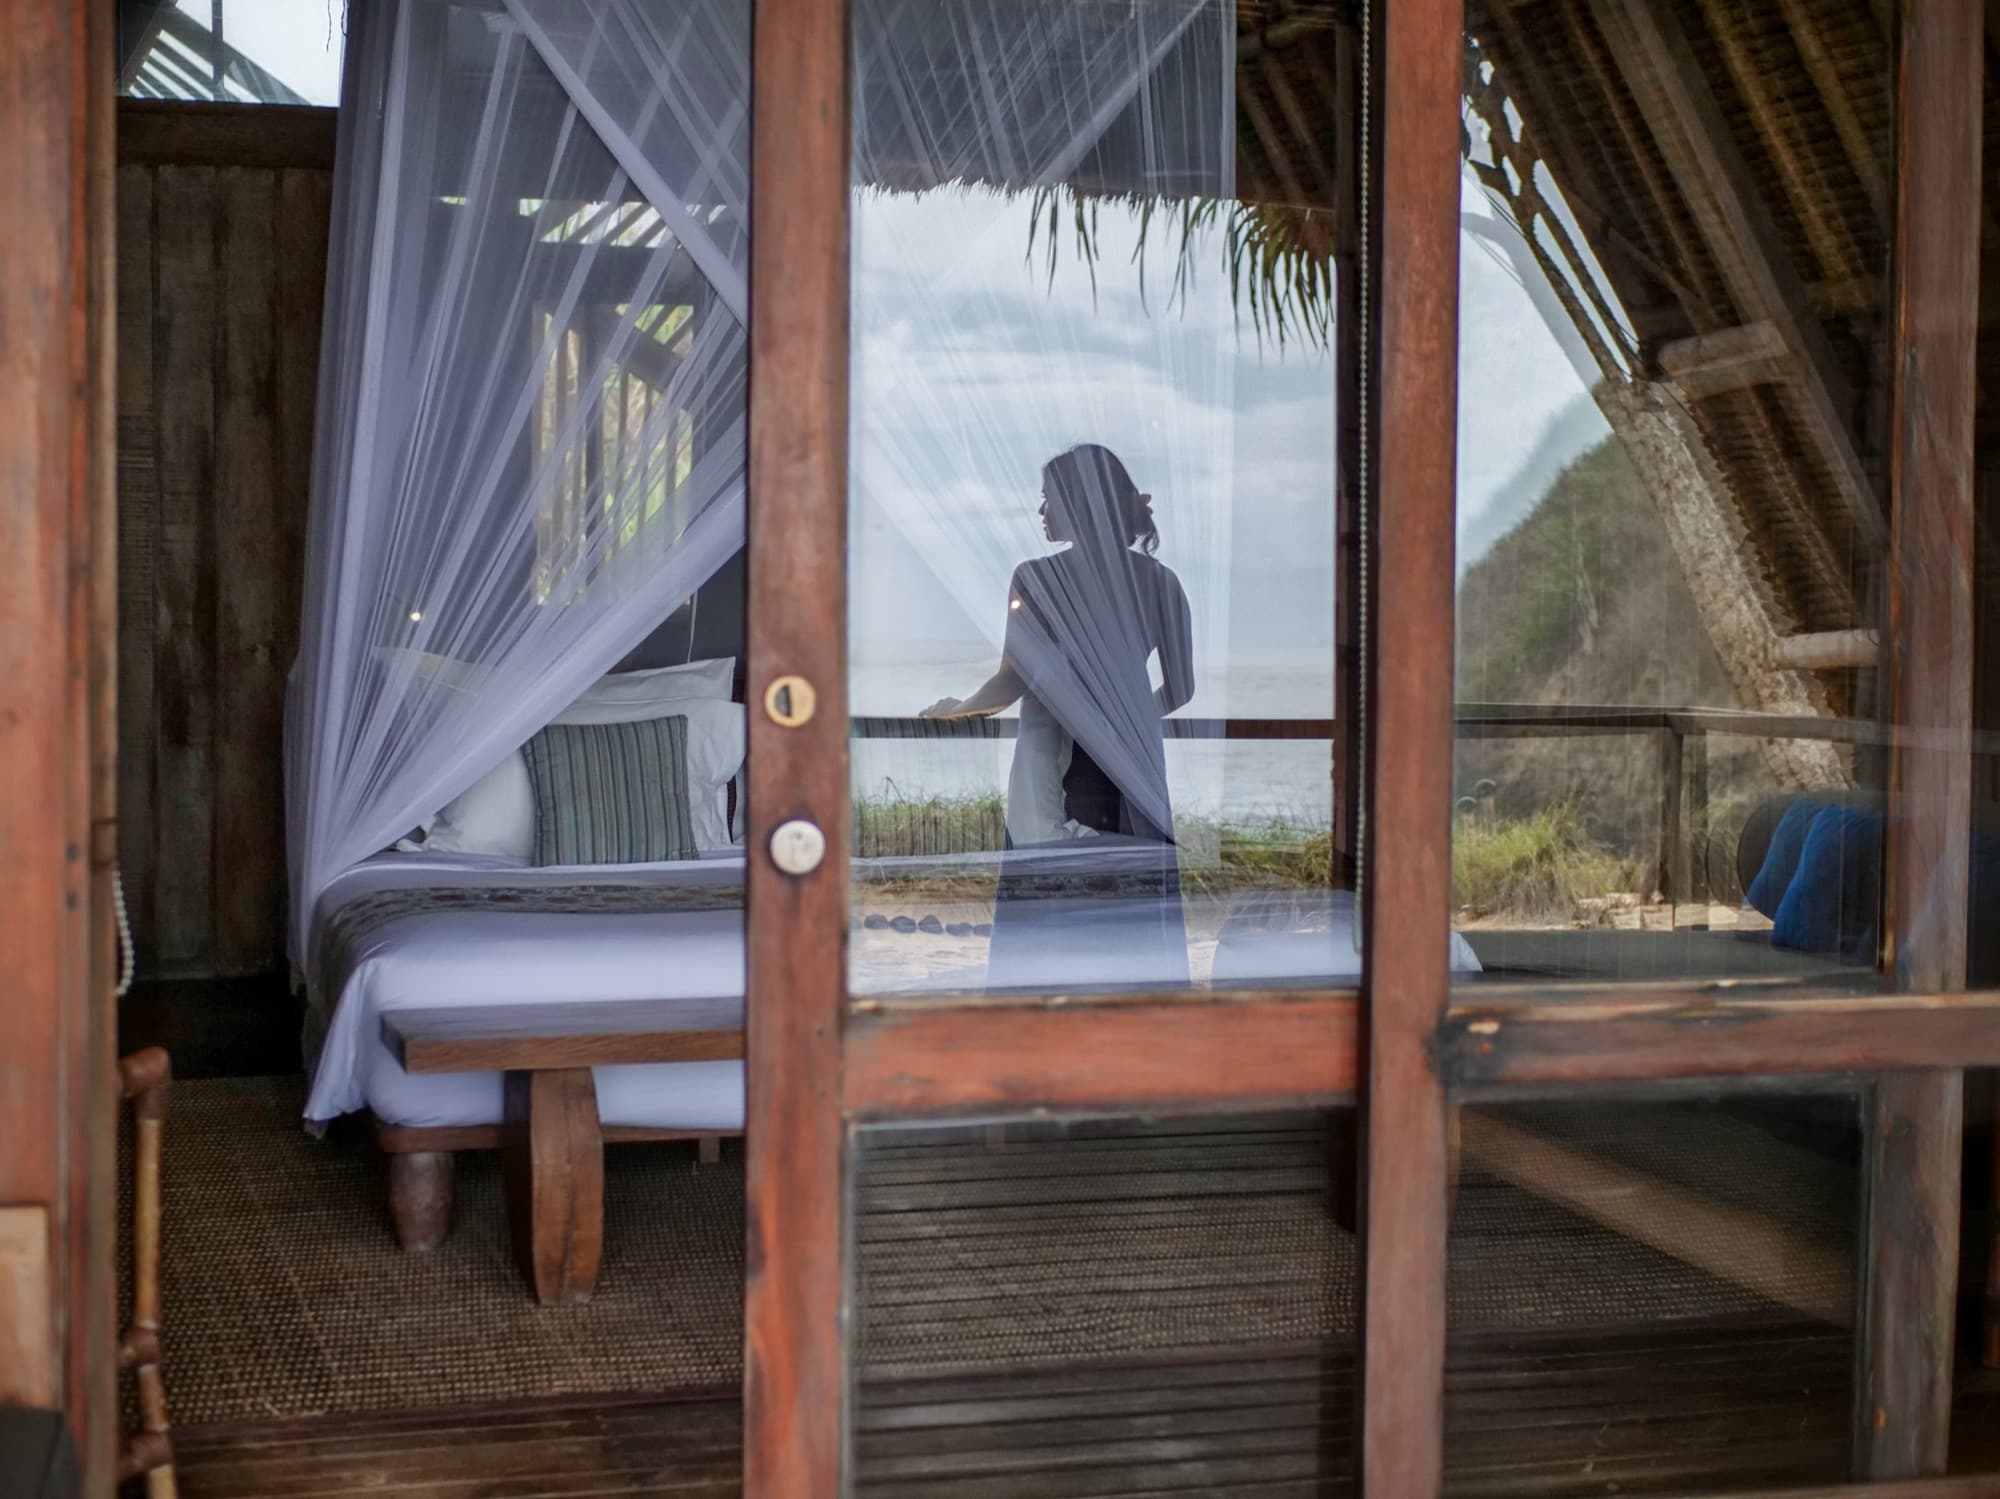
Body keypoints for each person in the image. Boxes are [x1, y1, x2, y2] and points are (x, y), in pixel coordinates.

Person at [921, 443, 1194, 988]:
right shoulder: (1161, 582)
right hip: (1134, 768)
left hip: (1060, 766)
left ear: (1078, 503)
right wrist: (1121, 722)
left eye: (1048, 498)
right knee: (1130, 919)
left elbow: (1011, 680)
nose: (1041, 510)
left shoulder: (1037, 578)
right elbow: (1182, 689)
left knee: (1048, 909)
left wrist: (960, 710)